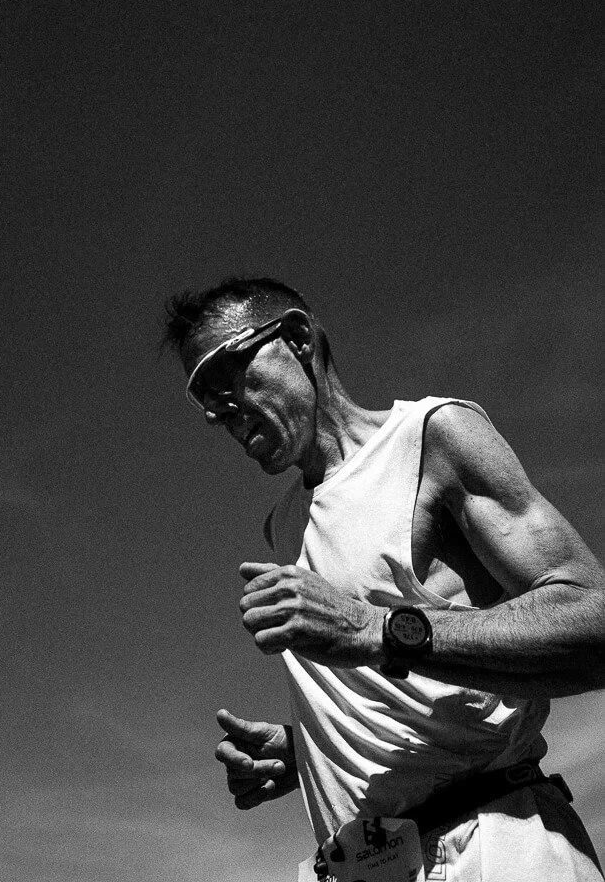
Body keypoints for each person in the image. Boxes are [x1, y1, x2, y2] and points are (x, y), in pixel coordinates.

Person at [163, 276, 605, 881]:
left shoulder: (429, 439)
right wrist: (310, 752)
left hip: (491, 841)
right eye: (201, 398)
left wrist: (374, 629)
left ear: (296, 338)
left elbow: (592, 621)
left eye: (222, 376)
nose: (218, 411)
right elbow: (414, 702)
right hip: (367, 867)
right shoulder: (284, 525)